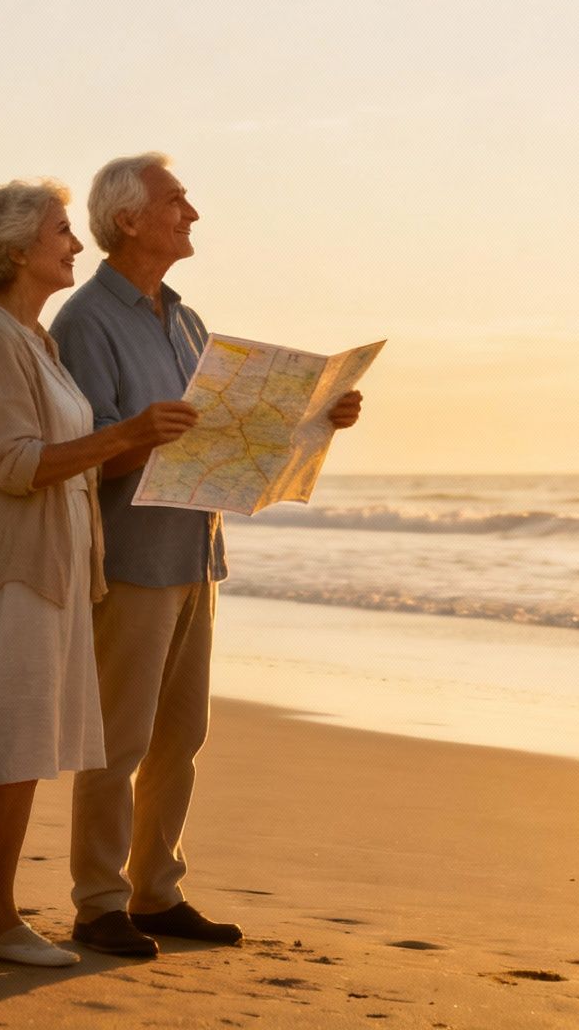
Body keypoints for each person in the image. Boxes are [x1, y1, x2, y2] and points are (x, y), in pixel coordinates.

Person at [51, 153, 363, 958]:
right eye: (176, 200)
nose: (191, 213)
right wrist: (139, 435)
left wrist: (321, 416)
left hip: (197, 551)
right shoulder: (86, 321)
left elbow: (225, 438)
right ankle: (98, 902)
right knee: (118, 740)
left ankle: (157, 891)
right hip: (129, 557)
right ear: (128, 220)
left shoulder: (187, 321)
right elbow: (85, 452)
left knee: (180, 737)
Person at [0, 178, 199, 967]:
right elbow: (16, 465)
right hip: (9, 569)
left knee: (21, 748)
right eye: (61, 232)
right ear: (19, 250)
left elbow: (69, 461)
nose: (75, 244)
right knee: (9, 747)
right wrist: (129, 434)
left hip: (55, 568)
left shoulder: (36, 340)